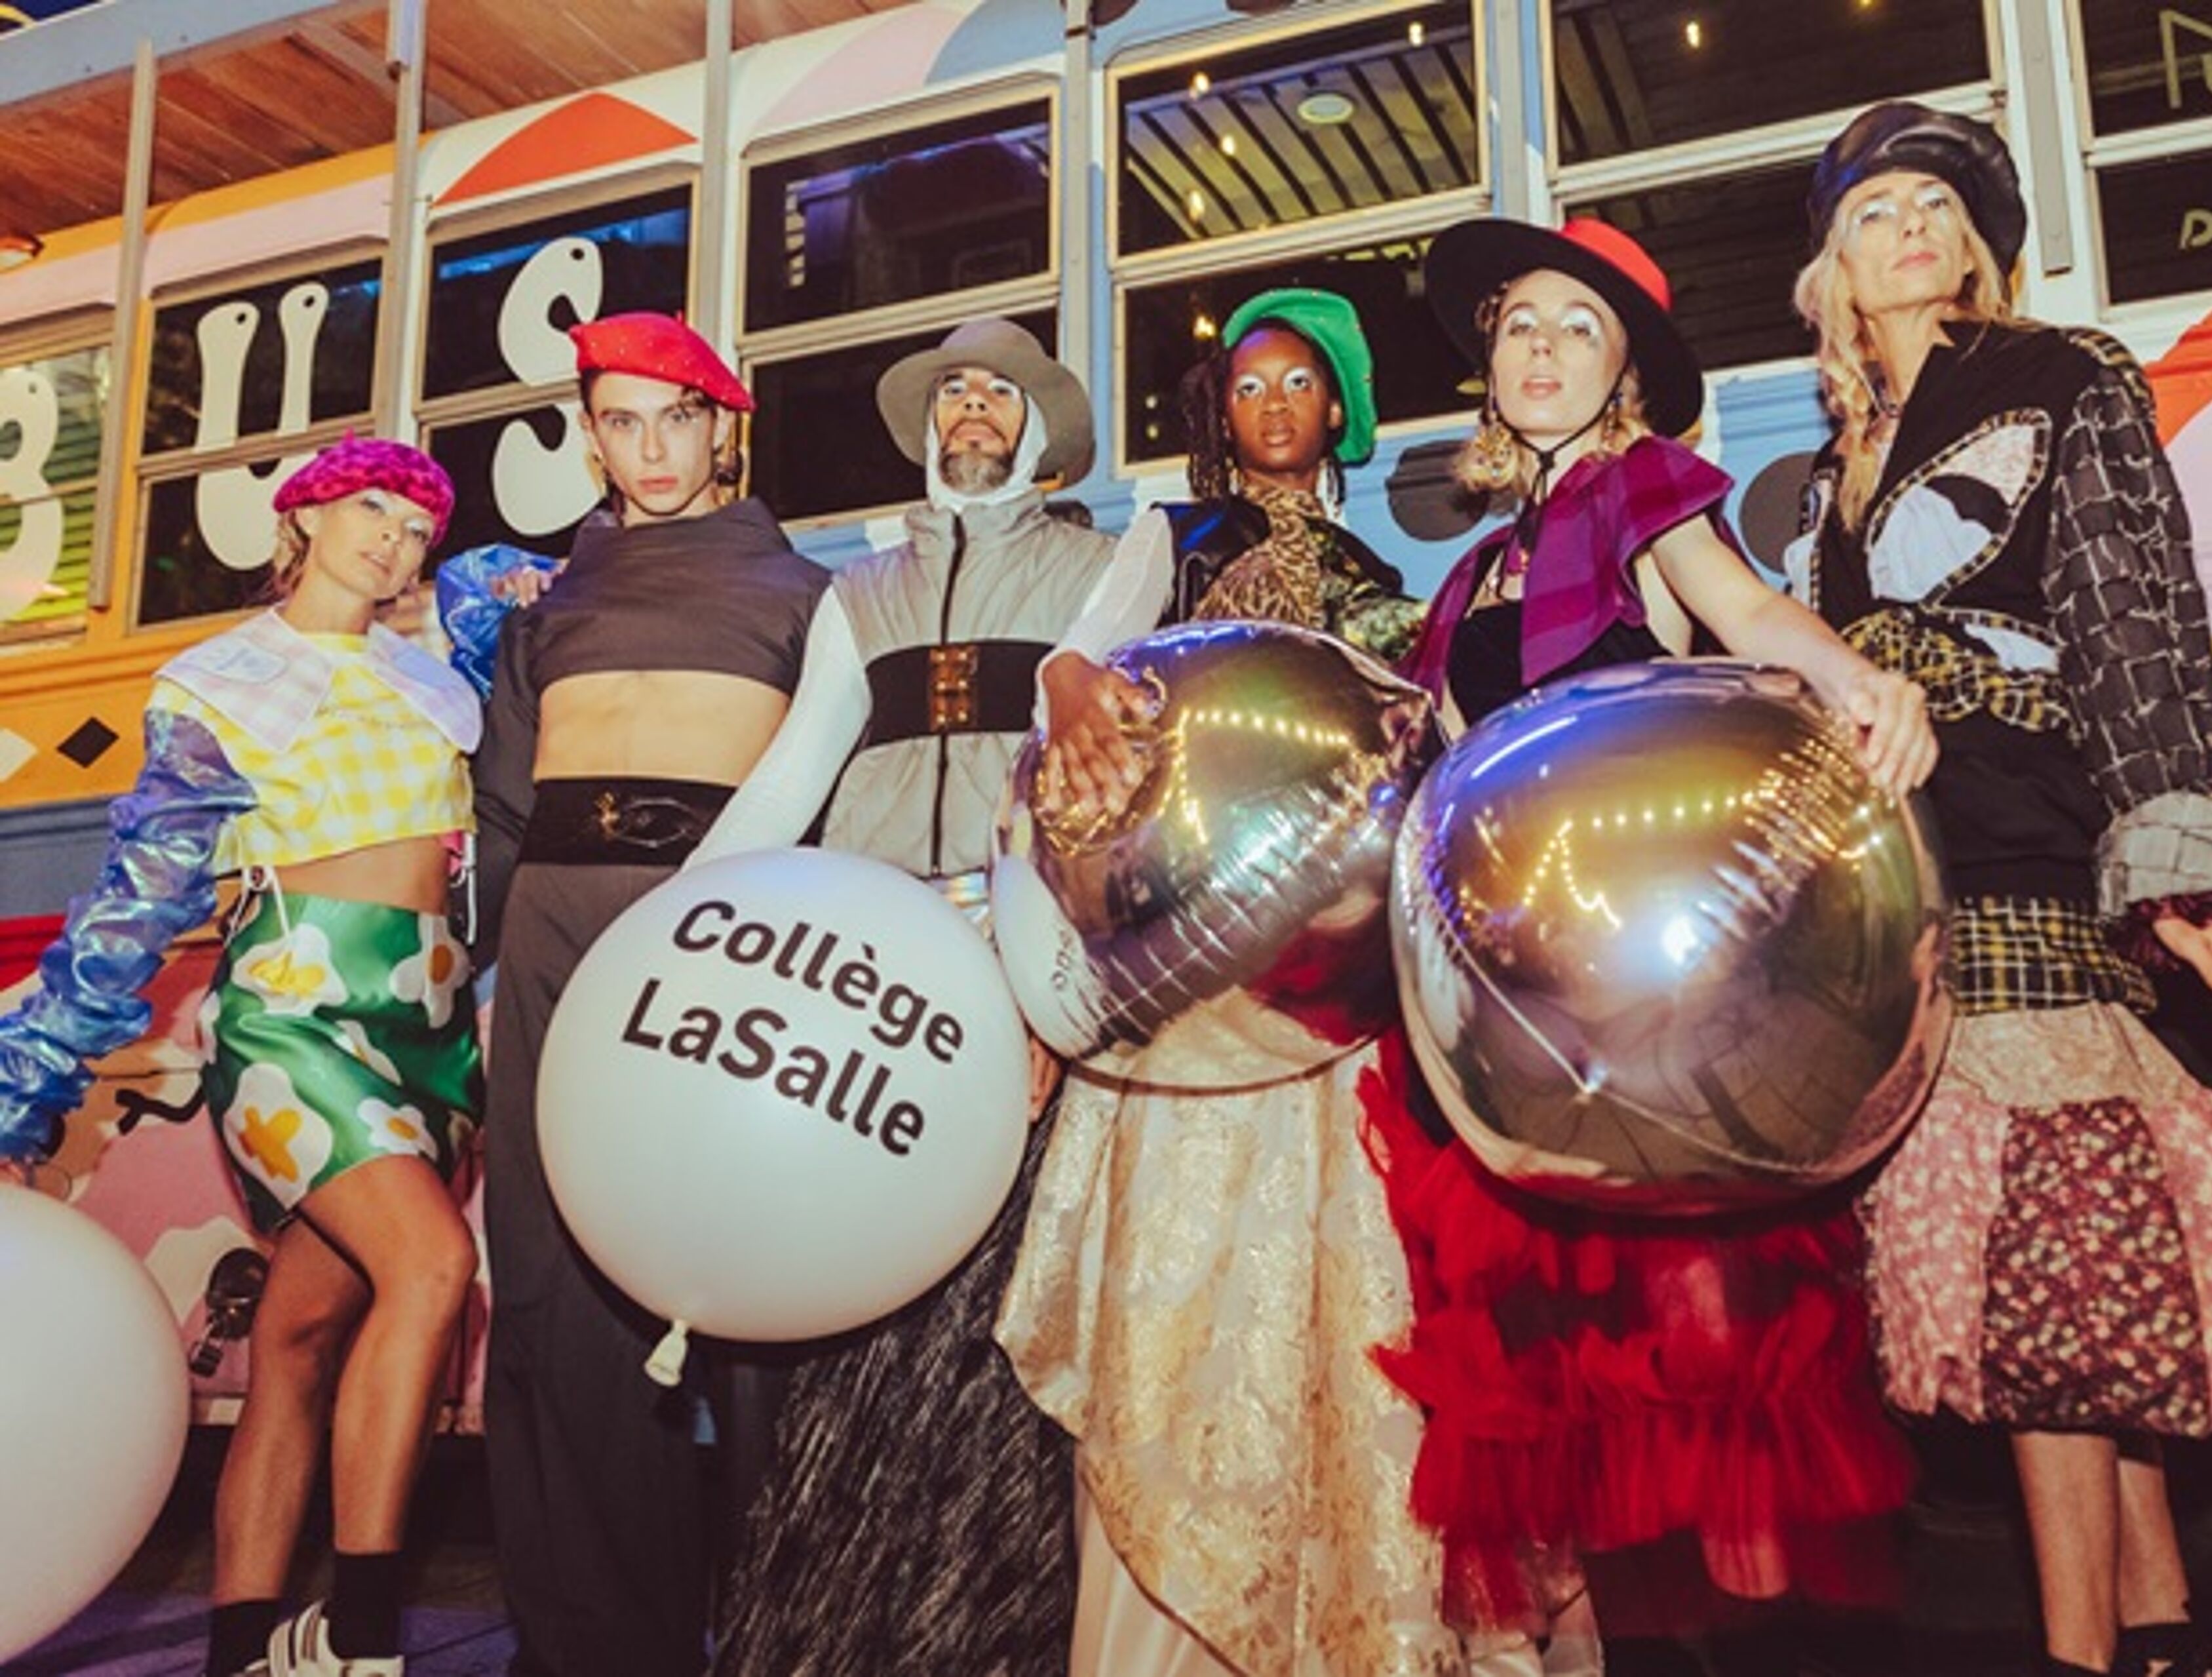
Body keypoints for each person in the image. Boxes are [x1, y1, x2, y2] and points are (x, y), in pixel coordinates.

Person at [1786, 102, 2212, 1677]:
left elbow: (2140, 620)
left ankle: (2072, 1656)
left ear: (1978, 248)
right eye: (1877, 212)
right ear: (1834, 266)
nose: (1912, 230)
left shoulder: (2064, 380)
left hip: (2031, 852)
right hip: (1917, 883)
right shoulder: (1828, 468)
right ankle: (2172, 1633)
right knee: (2067, 1272)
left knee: (2039, 1299)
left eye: (1939, 208)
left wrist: (2178, 878)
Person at [1363, 215, 1937, 1677]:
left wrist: (1868, 683)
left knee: (1702, 1411)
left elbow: (1748, 613)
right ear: (1488, 367)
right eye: (1519, 325)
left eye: (1579, 325)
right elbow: (1435, 778)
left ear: (1623, 371)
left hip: (1661, 1030)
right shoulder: (1470, 575)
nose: (1542, 347)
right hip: (1517, 1026)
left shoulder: (1644, 494)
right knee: (1547, 1421)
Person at [994, 289, 1469, 1676]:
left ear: (1338, 413)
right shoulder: (1172, 535)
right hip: (1183, 1005)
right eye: (1247, 382)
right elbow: (1075, 665)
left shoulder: (1387, 575)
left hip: (1335, 1012)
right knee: (1182, 1308)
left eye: (1298, 383)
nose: (1270, 403)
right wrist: (1075, 682)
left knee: (1344, 1323)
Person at [0, 439, 480, 1677]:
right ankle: (361, 1634)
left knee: (299, 1341)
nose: (392, 536)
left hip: (428, 1027)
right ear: (304, 519)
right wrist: (26, 1087)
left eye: (416, 524)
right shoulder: (220, 683)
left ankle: (237, 1648)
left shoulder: (432, 672)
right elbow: (135, 899)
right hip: (293, 1011)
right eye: (367, 507)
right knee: (432, 1263)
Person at [684, 317, 1120, 1677]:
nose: (973, 408)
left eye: (1000, 389)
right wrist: (675, 926)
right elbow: (787, 779)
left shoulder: (1112, 567)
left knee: (1000, 1312)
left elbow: (1095, 793)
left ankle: (996, 1628)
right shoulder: (854, 592)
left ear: (1040, 427)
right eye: (954, 393)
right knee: (864, 1301)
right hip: (866, 964)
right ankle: (842, 1628)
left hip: (1014, 950)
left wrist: (1052, 988)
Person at [448, 311, 830, 1677]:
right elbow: (498, 816)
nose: (651, 447)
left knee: (758, 1288)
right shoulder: (547, 608)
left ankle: (792, 1628)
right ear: (593, 434)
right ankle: (597, 1644)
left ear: (726, 425)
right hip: (555, 939)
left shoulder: (804, 592)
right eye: (621, 420)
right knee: (554, 1292)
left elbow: (836, 806)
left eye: (677, 416)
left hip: (721, 949)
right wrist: (470, 990)